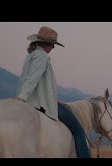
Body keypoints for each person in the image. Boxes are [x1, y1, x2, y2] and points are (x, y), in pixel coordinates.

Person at [16, 26, 91, 158]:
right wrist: (21, 99)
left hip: (34, 101)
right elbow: (32, 79)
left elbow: (33, 81)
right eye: (52, 44)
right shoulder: (42, 57)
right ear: (46, 44)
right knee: (79, 130)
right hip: (40, 104)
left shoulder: (32, 56)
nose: (53, 48)